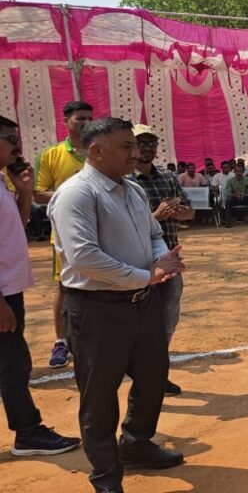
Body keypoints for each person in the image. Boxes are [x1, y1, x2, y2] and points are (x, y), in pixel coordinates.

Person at [48, 117, 186, 493]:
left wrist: (159, 261)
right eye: (127, 146)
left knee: (153, 377)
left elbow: (154, 234)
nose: (136, 153)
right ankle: (106, 477)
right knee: (99, 397)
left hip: (143, 304)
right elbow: (84, 258)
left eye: (135, 145)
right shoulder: (77, 194)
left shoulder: (133, 190)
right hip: (97, 310)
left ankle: (136, 443)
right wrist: (146, 275)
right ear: (96, 151)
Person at [0, 116, 82, 458]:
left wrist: (23, 193)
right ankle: (27, 432)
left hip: (9, 289)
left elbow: (16, 228)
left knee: (12, 361)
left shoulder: (2, 181)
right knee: (13, 364)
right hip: (2, 294)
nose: (17, 146)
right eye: (10, 138)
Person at [131, 124, 193, 396]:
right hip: (137, 263)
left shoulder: (168, 178)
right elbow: (122, 225)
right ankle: (139, 371)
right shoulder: (125, 182)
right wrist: (156, 216)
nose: (147, 148)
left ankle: (156, 373)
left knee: (167, 319)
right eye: (140, 142)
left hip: (170, 263)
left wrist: (179, 213)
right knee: (137, 322)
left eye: (151, 143)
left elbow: (190, 212)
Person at [33, 100, 93, 369]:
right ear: (66, 121)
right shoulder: (51, 155)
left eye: (90, 118)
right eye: (80, 118)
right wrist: (72, 196)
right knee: (64, 286)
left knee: (100, 282)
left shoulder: (100, 151)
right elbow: (38, 193)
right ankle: (60, 342)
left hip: (101, 231)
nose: (86, 123)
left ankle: (92, 337)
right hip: (65, 234)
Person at [224, 162, 248, 227]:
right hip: (234, 198)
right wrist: (236, 195)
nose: (238, 173)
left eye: (240, 171)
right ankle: (228, 221)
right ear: (234, 172)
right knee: (227, 201)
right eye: (237, 171)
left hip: (245, 198)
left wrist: (243, 194)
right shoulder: (230, 181)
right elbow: (228, 193)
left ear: (243, 172)